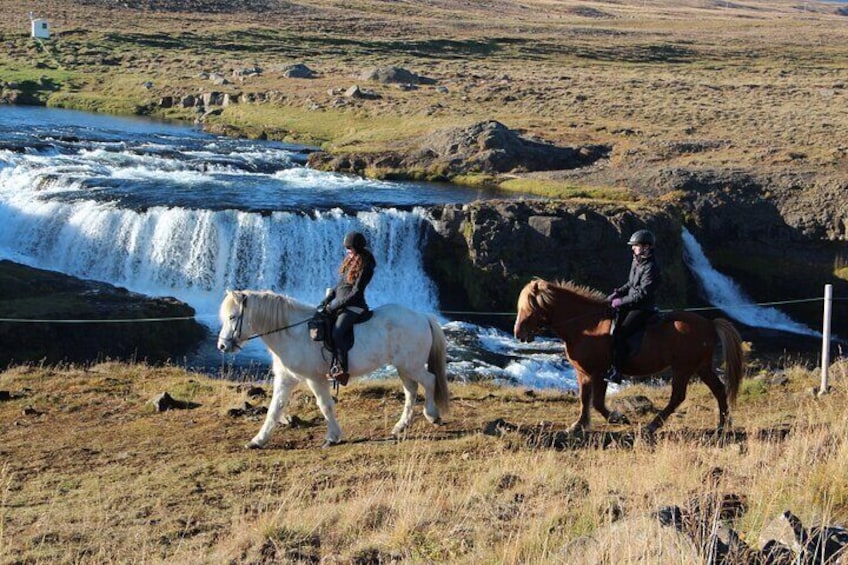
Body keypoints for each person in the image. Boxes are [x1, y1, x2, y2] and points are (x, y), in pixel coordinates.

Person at [318, 231, 376, 385]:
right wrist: (327, 300)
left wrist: (335, 305)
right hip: (342, 303)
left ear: (357, 247)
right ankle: (328, 364)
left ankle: (343, 370)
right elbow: (341, 286)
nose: (347, 251)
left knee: (337, 333)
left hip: (355, 306)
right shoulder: (351, 261)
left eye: (349, 248)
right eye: (347, 248)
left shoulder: (366, 265)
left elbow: (356, 292)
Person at [605, 229, 661, 384]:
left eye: (635, 245)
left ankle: (618, 372)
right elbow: (630, 284)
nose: (632, 248)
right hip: (630, 303)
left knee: (621, 333)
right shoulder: (636, 261)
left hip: (643, 308)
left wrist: (620, 301)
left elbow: (643, 293)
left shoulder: (651, 267)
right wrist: (616, 293)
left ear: (645, 247)